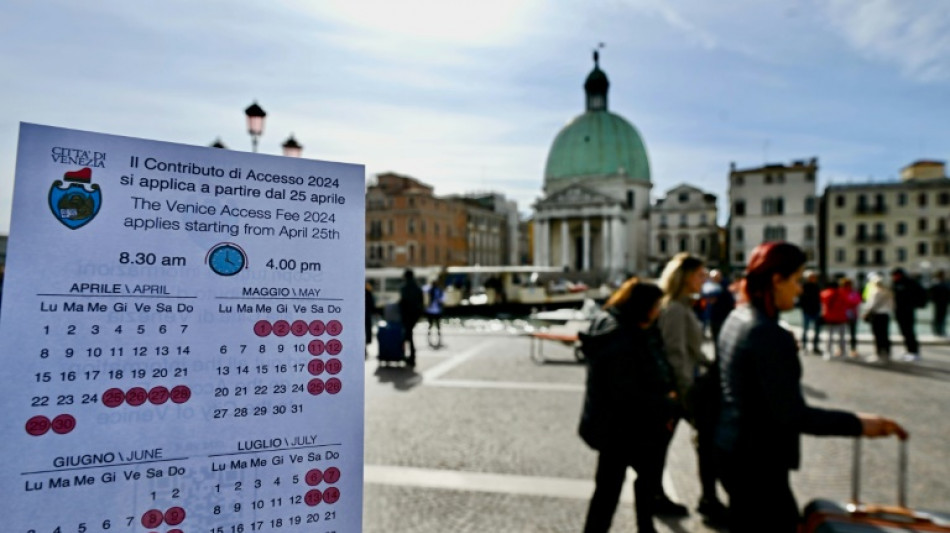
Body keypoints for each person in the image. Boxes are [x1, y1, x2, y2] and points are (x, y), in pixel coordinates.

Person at [715, 241, 907, 533]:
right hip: (759, 460)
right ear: (776, 280)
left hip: (734, 451)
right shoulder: (766, 332)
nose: (800, 289)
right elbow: (792, 414)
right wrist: (858, 424)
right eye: (796, 280)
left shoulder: (737, 317)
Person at [579, 277, 679, 533]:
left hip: (615, 424)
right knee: (624, 485)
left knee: (613, 487)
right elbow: (628, 392)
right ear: (643, 307)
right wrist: (666, 403)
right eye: (657, 306)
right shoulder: (625, 338)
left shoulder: (613, 325)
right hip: (629, 426)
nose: (659, 312)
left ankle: (639, 528)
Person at [657, 253, 727, 523]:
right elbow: (676, 354)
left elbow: (691, 351)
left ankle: (706, 498)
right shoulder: (675, 308)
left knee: (690, 443)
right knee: (701, 442)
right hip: (680, 390)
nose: (704, 279)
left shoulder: (682, 306)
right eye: (700, 274)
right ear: (686, 277)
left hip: (685, 386)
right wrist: (688, 396)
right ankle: (706, 500)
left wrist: (711, 363)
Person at [891, 268, 924, 361]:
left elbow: (920, 293)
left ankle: (914, 352)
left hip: (907, 311)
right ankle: (908, 350)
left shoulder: (909, 283)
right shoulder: (896, 283)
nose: (893, 277)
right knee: (904, 332)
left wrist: (915, 304)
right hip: (899, 311)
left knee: (909, 332)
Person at [861, 273, 894, 363]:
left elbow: (872, 305)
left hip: (877, 315)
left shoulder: (875, 292)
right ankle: (887, 353)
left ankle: (878, 353)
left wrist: (866, 313)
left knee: (877, 335)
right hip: (886, 314)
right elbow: (892, 305)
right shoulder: (888, 291)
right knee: (885, 334)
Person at [398, 269, 424, 368]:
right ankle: (410, 356)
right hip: (415, 315)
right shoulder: (418, 287)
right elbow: (421, 303)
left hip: (406, 315)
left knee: (407, 335)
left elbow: (402, 302)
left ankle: (406, 355)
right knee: (409, 334)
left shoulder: (404, 287)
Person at [819, 277, 850, 359]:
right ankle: (843, 352)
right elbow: (847, 303)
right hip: (841, 317)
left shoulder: (825, 293)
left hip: (830, 318)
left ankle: (828, 352)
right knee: (842, 337)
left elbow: (823, 305)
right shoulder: (842, 293)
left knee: (829, 336)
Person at [707, 270, 736, 348]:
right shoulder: (709, 286)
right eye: (712, 278)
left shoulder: (726, 287)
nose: (714, 279)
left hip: (724, 316)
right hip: (713, 317)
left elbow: (731, 302)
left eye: (715, 277)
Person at [798, 270, 823, 355]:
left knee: (816, 330)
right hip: (807, 310)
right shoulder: (804, 286)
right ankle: (804, 346)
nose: (813, 278)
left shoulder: (817, 286)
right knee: (805, 329)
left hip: (815, 310)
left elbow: (819, 299)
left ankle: (815, 346)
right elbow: (801, 299)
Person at [841, 278, 863, 358]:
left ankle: (851, 349)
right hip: (845, 315)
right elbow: (856, 301)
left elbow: (857, 301)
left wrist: (848, 302)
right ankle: (847, 349)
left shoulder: (850, 292)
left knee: (849, 333)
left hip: (849, 315)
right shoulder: (844, 292)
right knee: (845, 333)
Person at [424, 278, 445, 348]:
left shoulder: (432, 290)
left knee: (434, 325)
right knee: (434, 325)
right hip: (434, 310)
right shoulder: (434, 290)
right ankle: (432, 338)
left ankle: (434, 339)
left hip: (433, 310)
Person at [929, 270, 949, 337]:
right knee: (939, 317)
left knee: (940, 317)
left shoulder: (942, 283)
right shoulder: (938, 283)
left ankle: (940, 330)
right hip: (940, 302)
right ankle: (938, 330)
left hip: (942, 302)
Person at [364, 282, 378, 360]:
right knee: (365, 333)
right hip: (367, 316)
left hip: (361, 317)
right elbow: (372, 305)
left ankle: (364, 350)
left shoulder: (356, 291)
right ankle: (364, 350)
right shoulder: (368, 293)